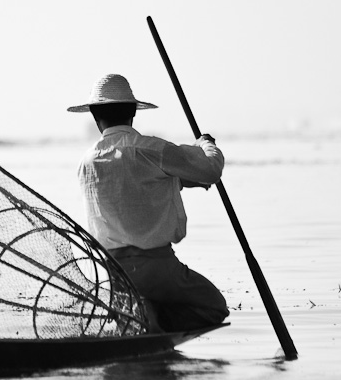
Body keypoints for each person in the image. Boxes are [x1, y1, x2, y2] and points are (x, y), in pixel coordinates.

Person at [69, 73, 229, 333]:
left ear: (96, 118)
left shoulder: (87, 163)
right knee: (214, 307)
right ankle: (155, 323)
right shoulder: (152, 150)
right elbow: (210, 170)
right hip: (159, 268)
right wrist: (206, 145)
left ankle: (146, 321)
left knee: (139, 320)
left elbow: (136, 188)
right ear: (133, 113)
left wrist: (181, 181)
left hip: (115, 275)